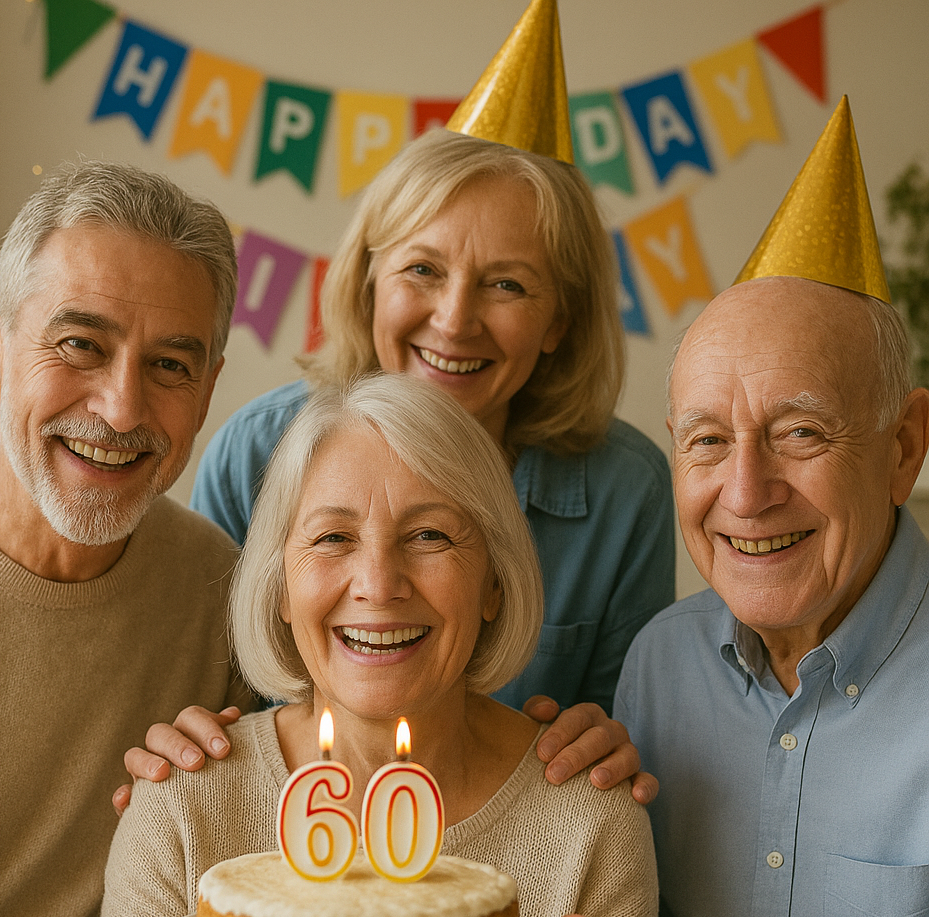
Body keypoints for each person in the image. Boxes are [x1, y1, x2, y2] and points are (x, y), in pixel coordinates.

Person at [85, 373, 659, 917]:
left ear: (494, 584)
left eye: (431, 536)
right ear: (279, 587)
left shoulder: (590, 827)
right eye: (333, 537)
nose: (379, 584)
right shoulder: (181, 806)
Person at [189, 0, 675, 718]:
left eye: (506, 284)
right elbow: (211, 707)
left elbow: (623, 722)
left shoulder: (624, 492)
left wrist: (601, 744)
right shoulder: (254, 457)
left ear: (558, 321)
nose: (453, 321)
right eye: (422, 270)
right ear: (366, 282)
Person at [0, 162, 250, 917]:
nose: (123, 406)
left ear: (207, 392)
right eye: (80, 346)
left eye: (171, 364)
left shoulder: (226, 595)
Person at [614, 97, 929, 917]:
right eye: (707, 442)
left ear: (905, 445)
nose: (746, 494)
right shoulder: (659, 670)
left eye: (800, 432)